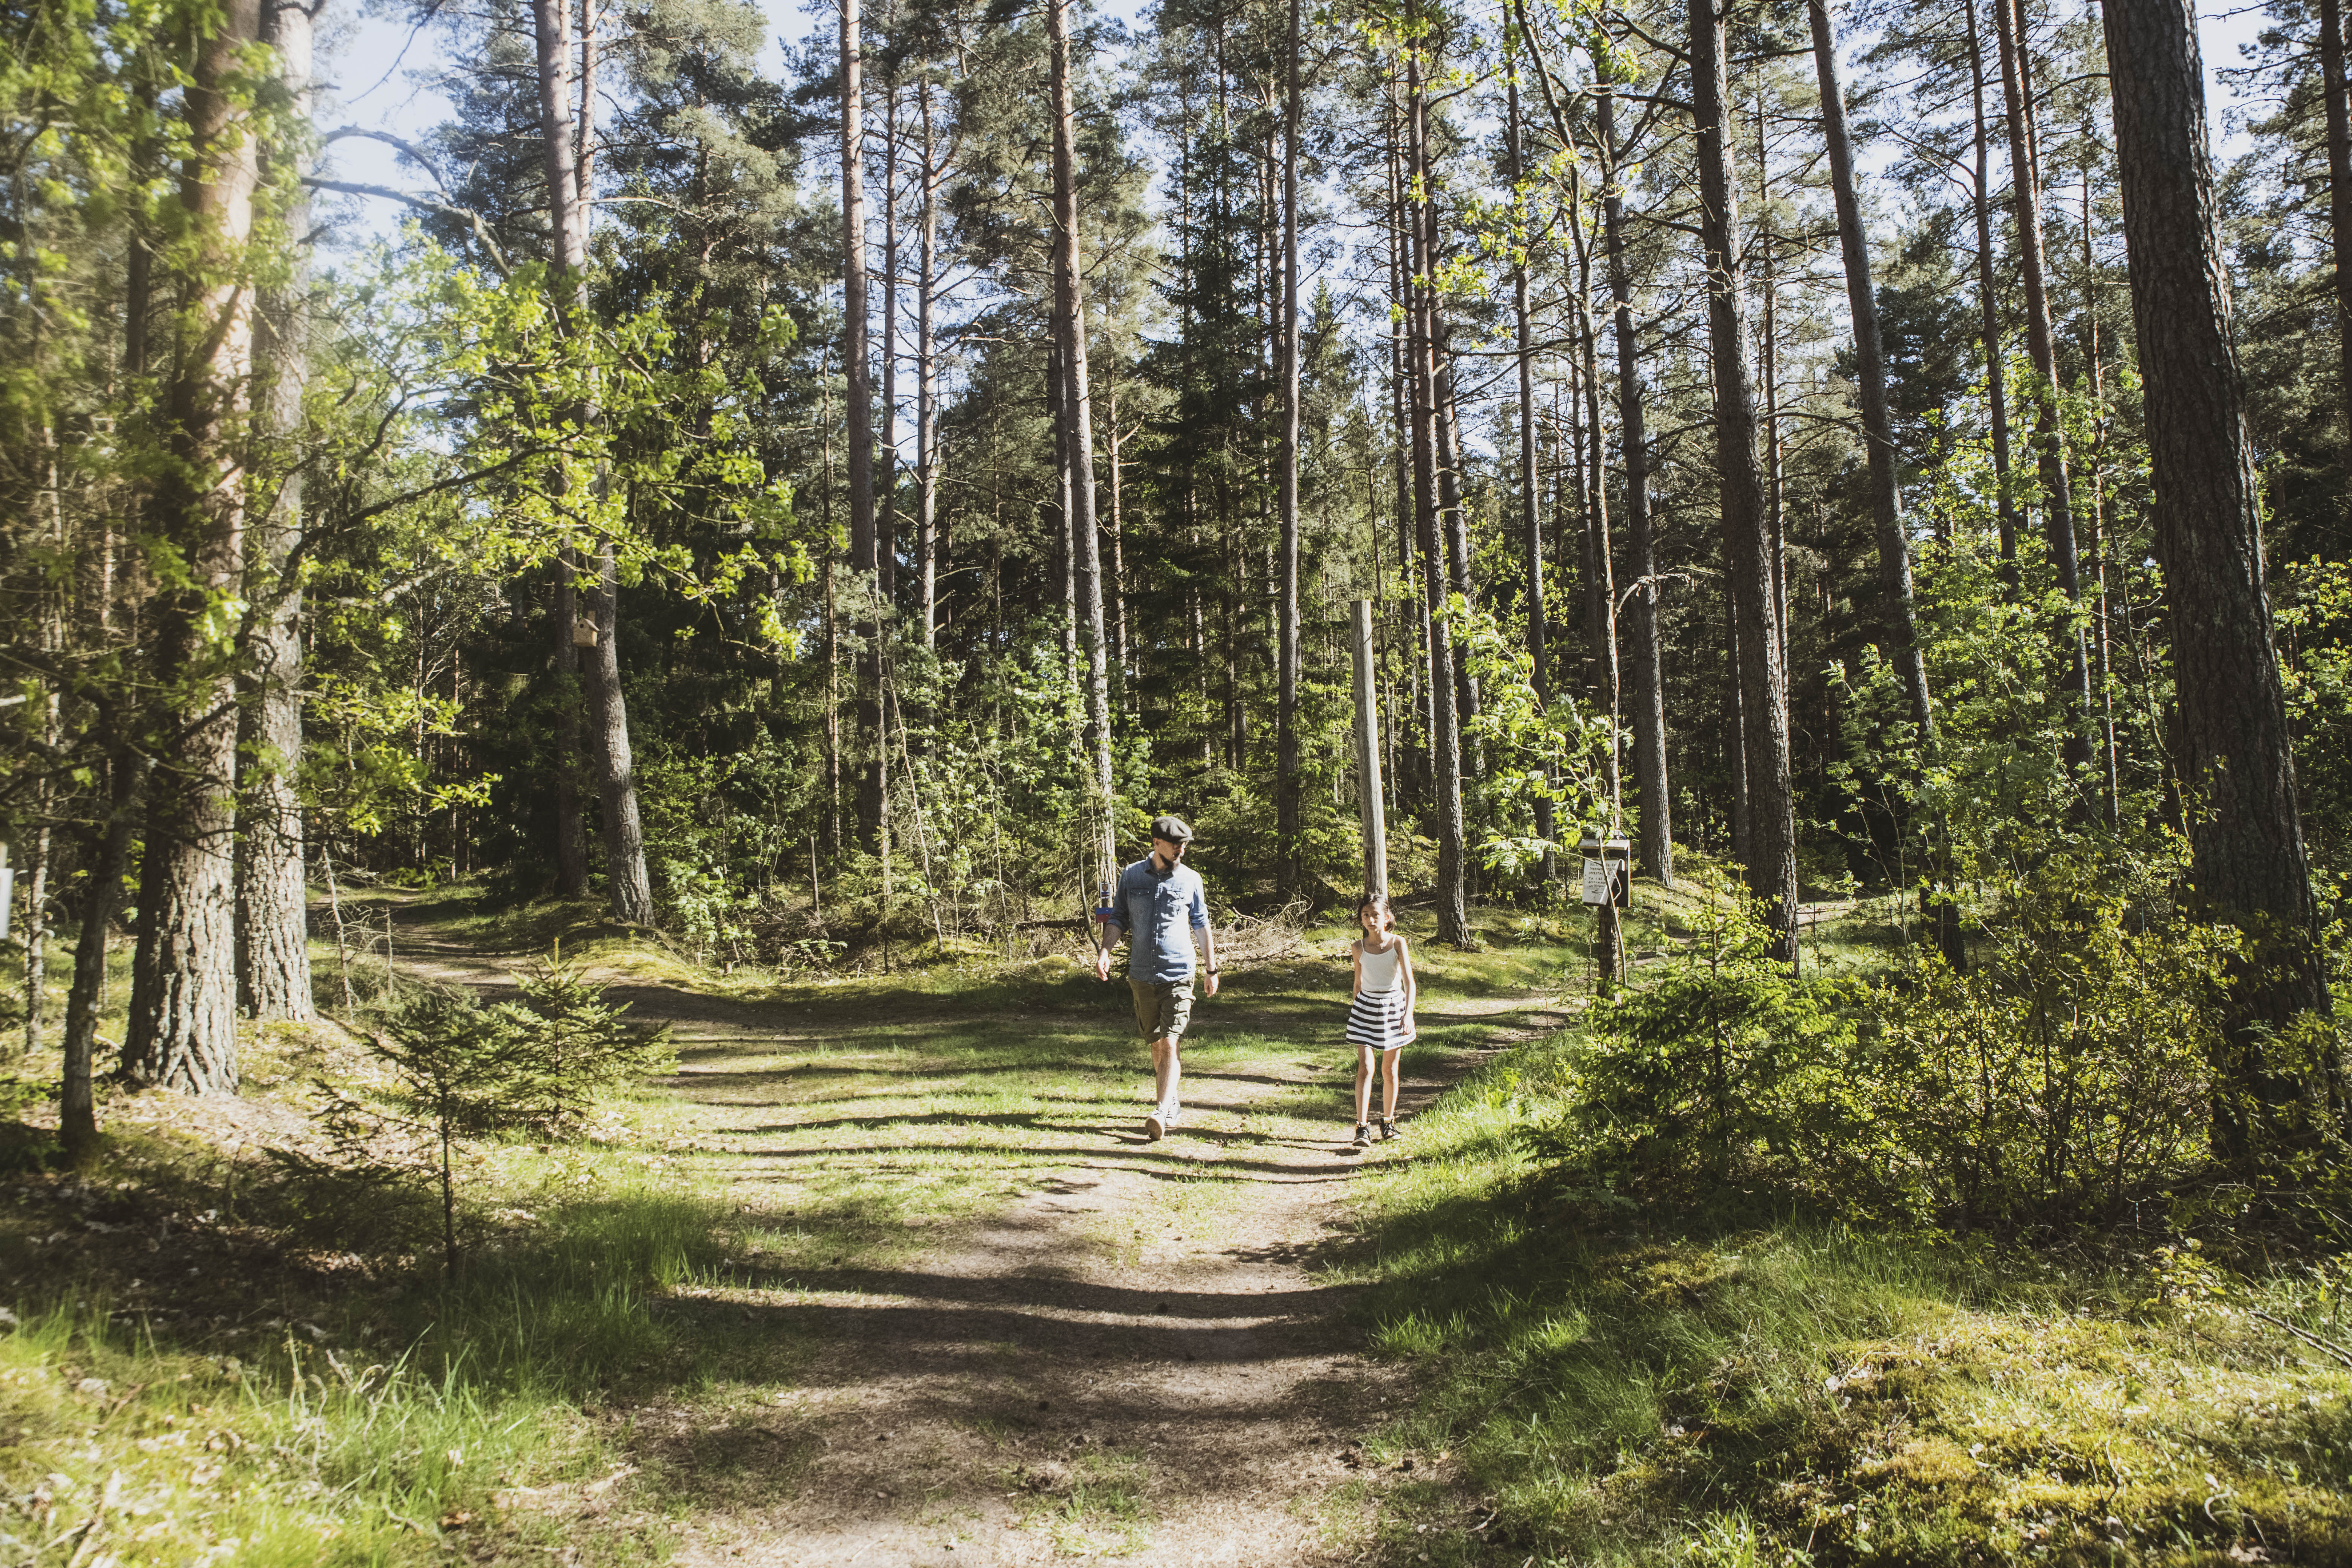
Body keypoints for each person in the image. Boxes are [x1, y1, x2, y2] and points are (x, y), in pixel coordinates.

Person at [1095, 815, 1218, 1141]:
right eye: (1175, 844)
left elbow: (1201, 924)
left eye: (1184, 845)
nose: (1181, 849)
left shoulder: (1191, 879)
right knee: (1155, 1042)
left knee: (1171, 1041)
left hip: (1179, 972)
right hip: (1141, 974)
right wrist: (1105, 951)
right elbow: (1118, 917)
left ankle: (1161, 1111)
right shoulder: (1132, 876)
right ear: (1156, 843)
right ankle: (1172, 1098)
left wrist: (1211, 968)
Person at [1345, 892, 1416, 1149]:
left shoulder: (1398, 943)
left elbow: (1409, 982)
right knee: (1365, 1068)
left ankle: (1388, 1123)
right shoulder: (1358, 947)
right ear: (1361, 919)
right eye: (1366, 915)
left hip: (1394, 1008)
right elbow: (1357, 981)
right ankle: (1361, 1128)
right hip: (1365, 1008)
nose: (1370, 919)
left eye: (1375, 915)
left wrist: (1408, 1014)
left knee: (1389, 1070)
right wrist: (1357, 1007)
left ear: (1387, 918)